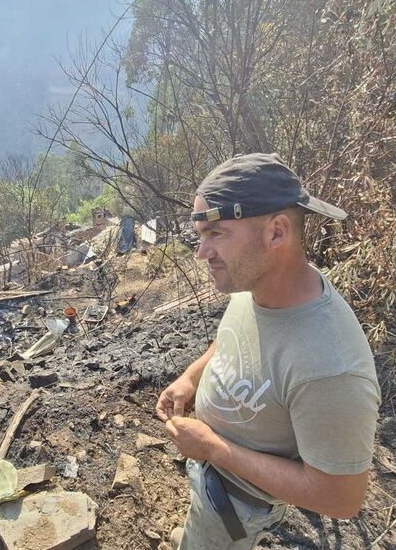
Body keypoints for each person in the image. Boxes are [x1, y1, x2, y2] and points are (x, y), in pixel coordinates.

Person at [157, 153, 380, 549]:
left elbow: (341, 498)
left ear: (276, 232)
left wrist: (212, 447)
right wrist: (190, 378)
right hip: (212, 478)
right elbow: (235, 339)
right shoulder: (261, 283)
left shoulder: (331, 367)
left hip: (239, 504)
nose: (201, 253)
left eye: (217, 234)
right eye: (200, 235)